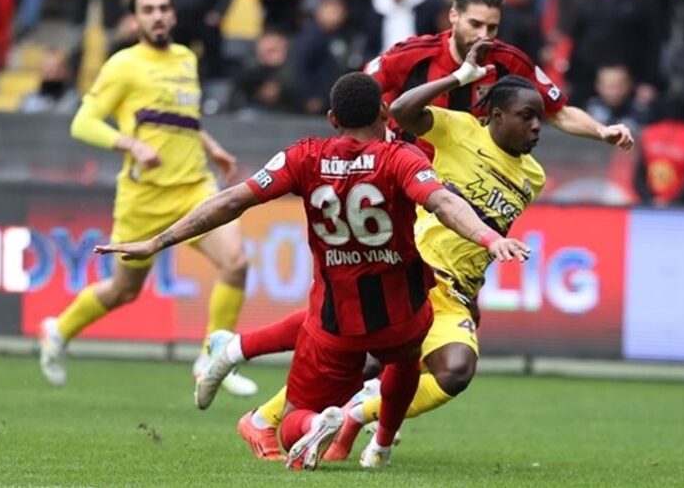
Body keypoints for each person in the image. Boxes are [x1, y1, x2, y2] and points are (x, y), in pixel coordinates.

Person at [97, 70, 532, 470]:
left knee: (290, 424)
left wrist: (157, 241)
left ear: (330, 118)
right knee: (403, 361)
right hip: (404, 313)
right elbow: (445, 202)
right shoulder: (401, 159)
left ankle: (310, 424)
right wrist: (491, 239)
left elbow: (231, 201)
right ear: (384, 112)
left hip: (336, 321)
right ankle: (374, 440)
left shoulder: (304, 157)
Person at [192, 40, 563, 463]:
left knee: (421, 362)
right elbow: (405, 111)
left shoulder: (532, 176)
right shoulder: (459, 129)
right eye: (527, 117)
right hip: (415, 261)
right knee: (357, 342)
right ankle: (303, 416)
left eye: (540, 120)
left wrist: (473, 287)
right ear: (496, 115)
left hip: (453, 287)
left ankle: (281, 395)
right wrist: (459, 78)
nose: (537, 127)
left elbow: (485, 232)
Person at [37, 0, 257, 398]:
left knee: (236, 261)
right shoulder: (123, 65)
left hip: (194, 186)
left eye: (163, 8)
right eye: (148, 10)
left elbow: (181, 119)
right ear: (135, 19)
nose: (157, 16)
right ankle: (58, 330)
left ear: (173, 14)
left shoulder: (186, 58)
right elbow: (82, 122)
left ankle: (211, 358)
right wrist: (131, 144)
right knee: (123, 291)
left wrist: (213, 148)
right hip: (145, 197)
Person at [365, 0, 635, 156]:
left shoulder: (510, 61)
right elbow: (359, 90)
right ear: (453, 16)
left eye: (492, 27)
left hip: (469, 184)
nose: (484, 35)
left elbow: (559, 113)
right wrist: (378, 129)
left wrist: (602, 131)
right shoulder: (413, 54)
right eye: (475, 24)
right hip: (410, 172)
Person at [633, 84, 684, 207]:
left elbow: (638, 178)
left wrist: (651, 200)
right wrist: (673, 204)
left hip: (652, 210)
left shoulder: (649, 134)